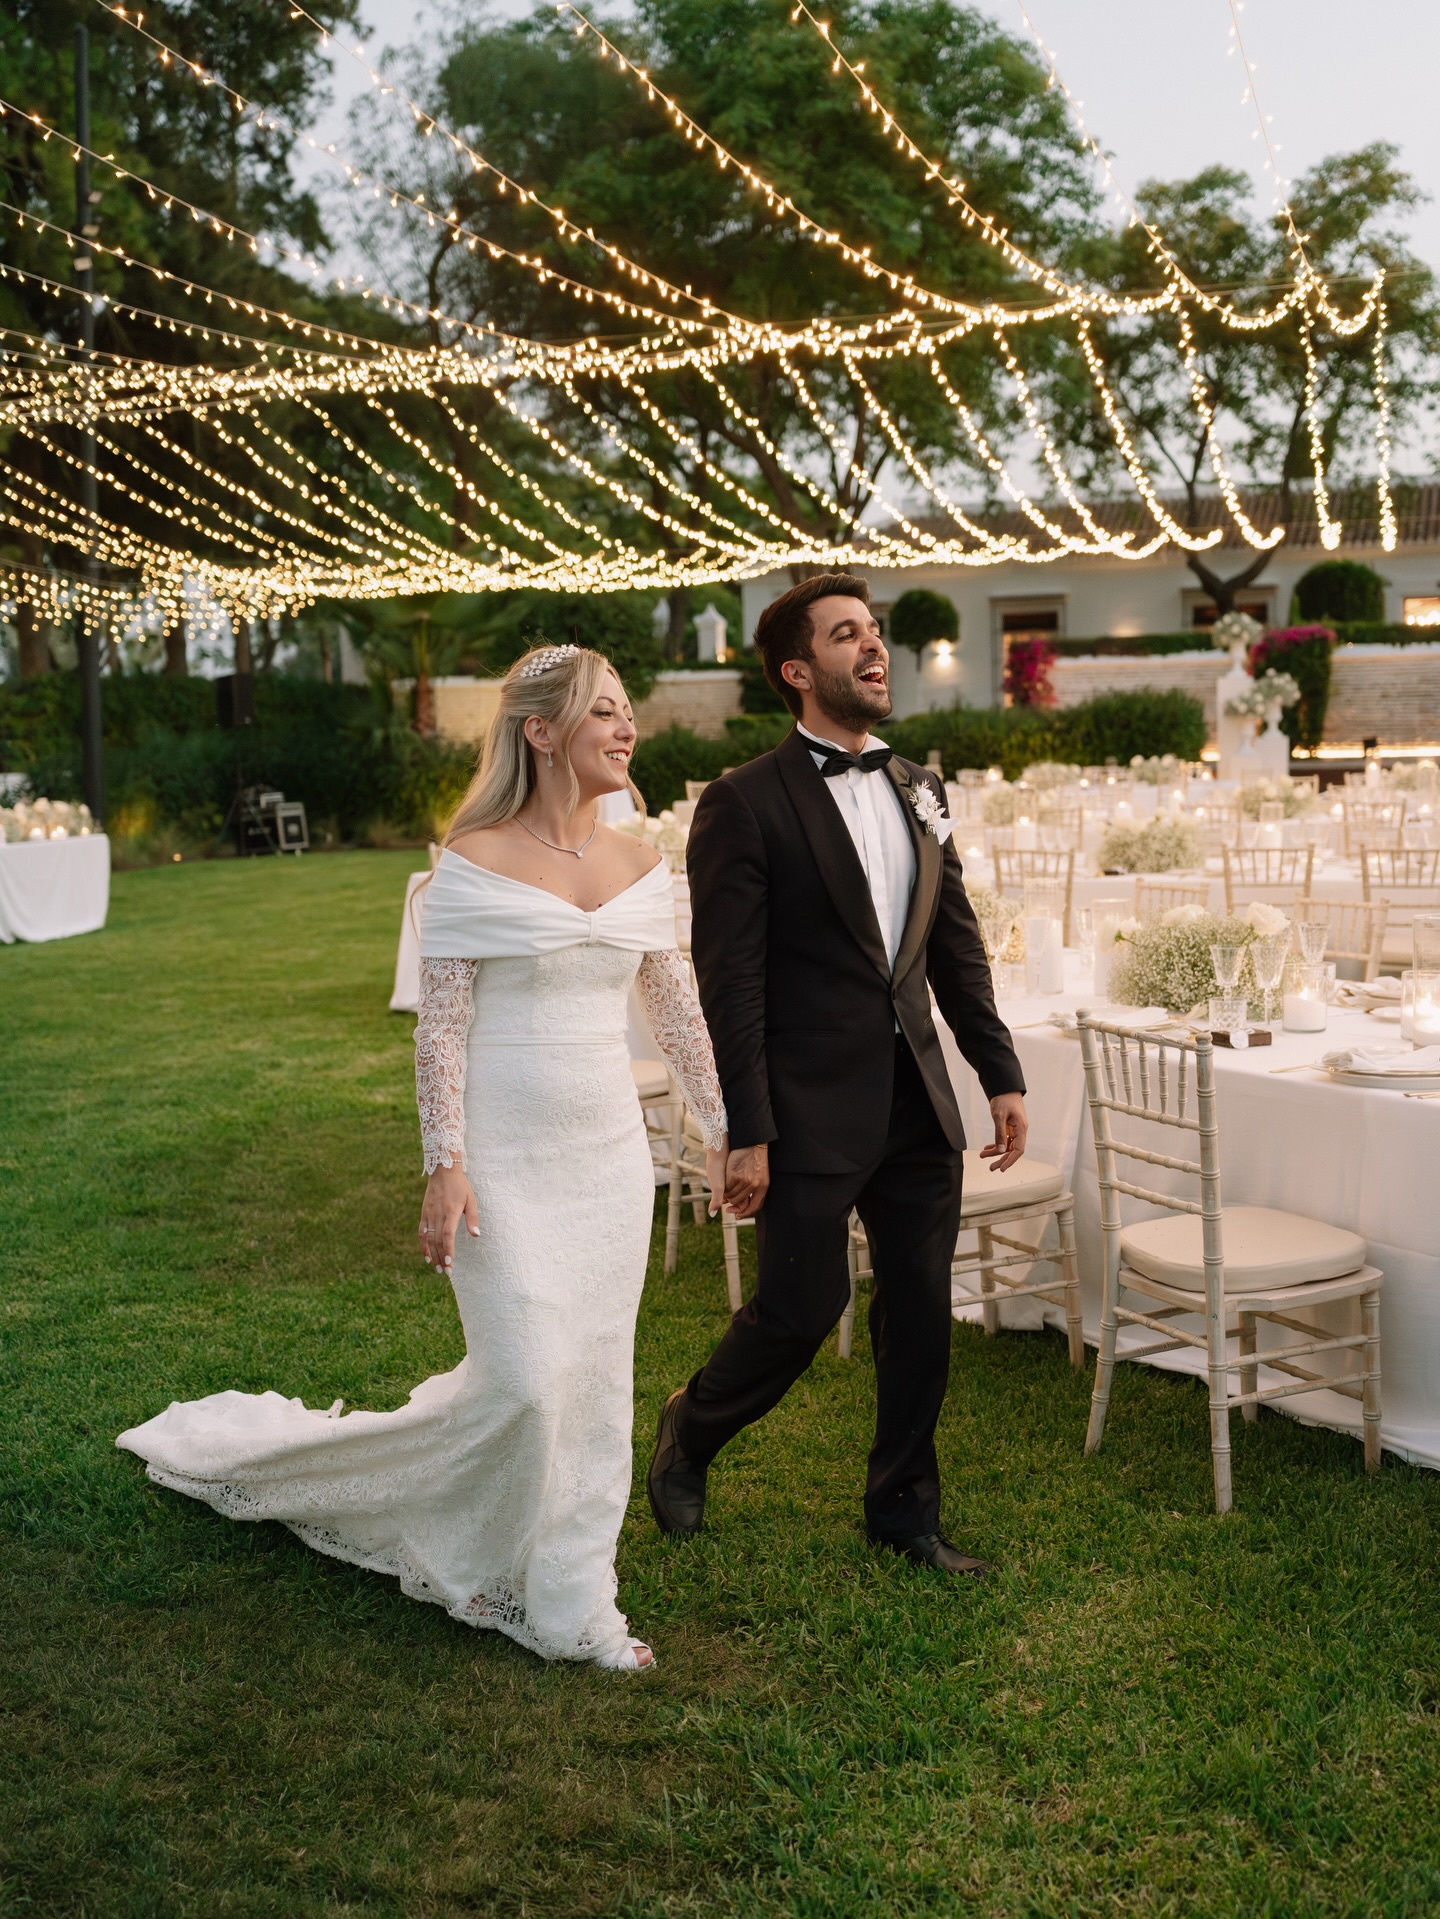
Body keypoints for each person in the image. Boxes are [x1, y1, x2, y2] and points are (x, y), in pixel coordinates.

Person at [119, 645, 727, 1671]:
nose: (630, 731)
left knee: (593, 1384)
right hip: (503, 1157)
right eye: (606, 713)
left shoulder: (639, 863)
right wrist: (445, 1161)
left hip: (610, 1160)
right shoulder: (473, 860)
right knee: (528, 1382)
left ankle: (574, 1600)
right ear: (540, 731)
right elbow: (439, 1028)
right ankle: (370, 1488)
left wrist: (721, 1127)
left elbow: (675, 1006)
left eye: (630, 714)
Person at [647, 574, 1028, 1576]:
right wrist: (750, 1126)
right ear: (797, 669)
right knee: (800, 1310)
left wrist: (998, 1069)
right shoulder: (742, 802)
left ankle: (904, 1511)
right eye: (847, 635)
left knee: (918, 1311)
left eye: (876, 633)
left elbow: (955, 943)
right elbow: (730, 980)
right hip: (807, 1108)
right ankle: (692, 1427)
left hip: (917, 1101)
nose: (873, 650)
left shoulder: (921, 787)